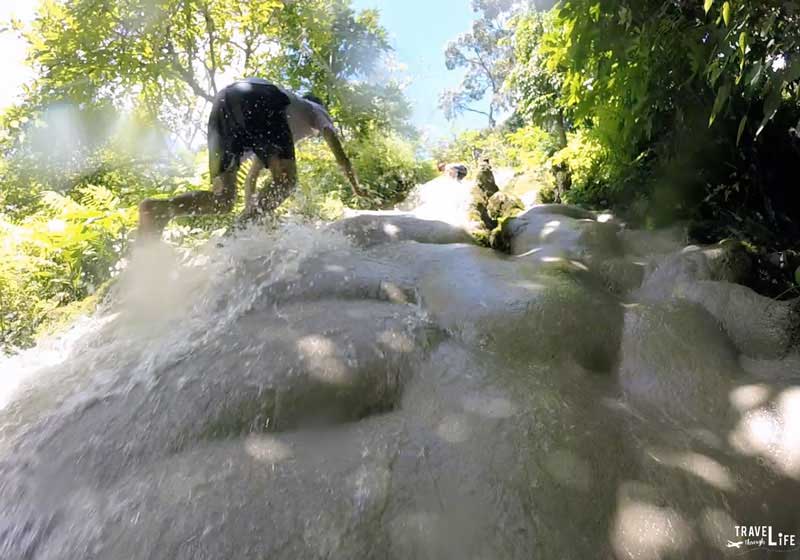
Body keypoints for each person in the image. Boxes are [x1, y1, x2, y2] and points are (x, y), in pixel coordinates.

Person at [138, 78, 363, 237]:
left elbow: (253, 176)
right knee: (287, 182)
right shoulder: (314, 108)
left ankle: (159, 209)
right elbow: (333, 141)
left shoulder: (282, 126)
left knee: (223, 199)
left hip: (224, 102)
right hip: (261, 96)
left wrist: (250, 211)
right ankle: (233, 236)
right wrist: (355, 185)